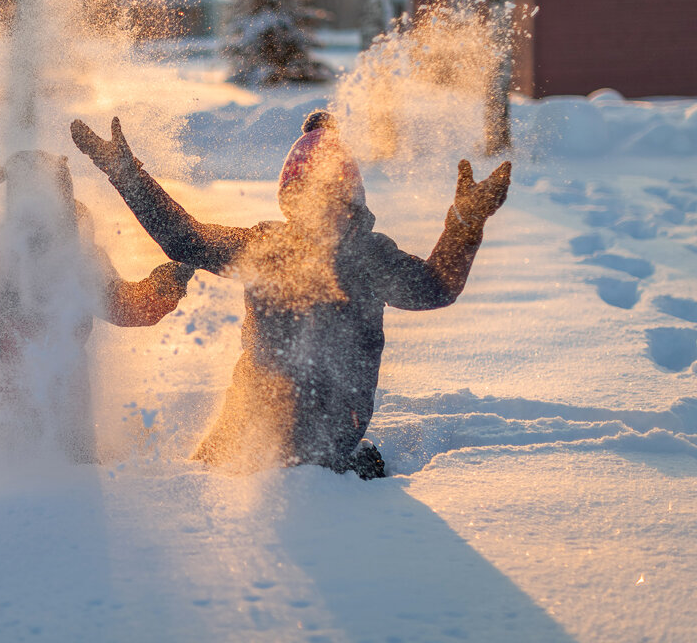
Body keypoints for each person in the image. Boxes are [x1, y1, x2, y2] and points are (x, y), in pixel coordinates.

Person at [70, 112, 511, 477]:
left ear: (353, 203)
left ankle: (347, 469)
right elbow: (186, 240)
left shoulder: (372, 258)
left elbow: (434, 288)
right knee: (204, 470)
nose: (319, 212)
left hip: (333, 425)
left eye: (334, 199)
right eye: (304, 199)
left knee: (309, 465)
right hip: (250, 415)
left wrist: (464, 224)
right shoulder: (267, 249)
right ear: (289, 203)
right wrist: (127, 174)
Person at [0, 149, 195, 463]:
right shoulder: (62, 258)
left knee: (13, 470)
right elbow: (128, 308)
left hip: (13, 421)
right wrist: (167, 284)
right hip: (37, 425)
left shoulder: (10, 254)